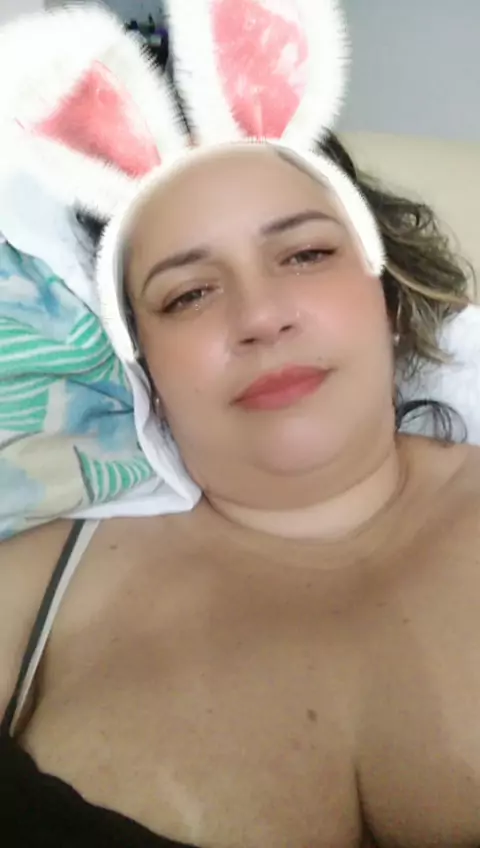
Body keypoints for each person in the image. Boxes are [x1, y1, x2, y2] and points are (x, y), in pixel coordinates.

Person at [0, 3, 480, 847]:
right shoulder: (27, 595)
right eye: (188, 294)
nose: (260, 316)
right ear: (141, 361)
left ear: (388, 290)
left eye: (306, 254)